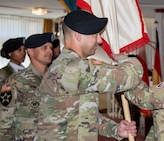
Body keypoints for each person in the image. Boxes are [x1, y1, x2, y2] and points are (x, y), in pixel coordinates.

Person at [35, 10, 143, 141]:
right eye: (95, 34)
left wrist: (114, 129)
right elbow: (132, 76)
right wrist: (124, 58)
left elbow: (82, 113)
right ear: (79, 36)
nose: (99, 40)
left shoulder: (61, 65)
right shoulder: (78, 68)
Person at [0, 32, 54, 140]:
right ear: (31, 51)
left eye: (51, 47)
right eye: (44, 47)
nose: (50, 51)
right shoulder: (16, 82)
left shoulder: (56, 79)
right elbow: (3, 122)